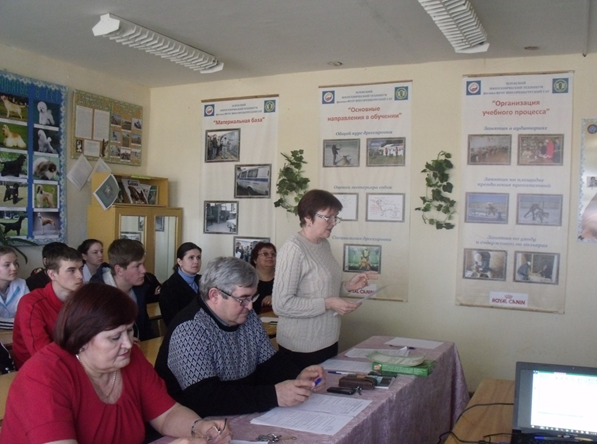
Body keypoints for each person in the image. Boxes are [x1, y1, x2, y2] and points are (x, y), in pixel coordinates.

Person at [0, 282, 231, 444]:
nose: (128, 344)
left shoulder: (130, 359)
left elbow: (167, 414)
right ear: (81, 339)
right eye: (114, 337)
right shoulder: (43, 376)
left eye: (129, 331)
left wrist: (199, 427)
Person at [154, 256, 325, 418]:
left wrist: (298, 376)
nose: (250, 306)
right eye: (243, 298)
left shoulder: (246, 317)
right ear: (214, 295)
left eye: (252, 297)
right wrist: (274, 395)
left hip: (238, 413)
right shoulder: (190, 328)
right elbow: (205, 398)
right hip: (196, 423)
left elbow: (269, 363)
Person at [273, 189, 377, 370]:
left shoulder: (323, 244)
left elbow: (321, 288)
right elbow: (281, 304)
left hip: (328, 340)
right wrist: (328, 303)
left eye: (335, 217)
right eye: (328, 217)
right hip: (301, 347)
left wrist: (348, 286)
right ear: (308, 217)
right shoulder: (293, 250)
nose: (333, 223)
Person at [12, 245, 83, 369]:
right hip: (36, 369)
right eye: (71, 270)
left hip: (74, 363)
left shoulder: (83, 299)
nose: (80, 276)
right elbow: (41, 354)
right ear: (52, 274)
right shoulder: (31, 304)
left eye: (81, 269)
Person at [90, 238, 155, 341]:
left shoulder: (139, 289)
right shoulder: (96, 295)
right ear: (119, 270)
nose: (144, 270)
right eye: (137, 266)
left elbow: (145, 329)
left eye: (143, 264)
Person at [159, 242, 202, 327]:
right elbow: (171, 321)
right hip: (184, 331)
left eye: (198, 257)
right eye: (191, 258)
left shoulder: (204, 281)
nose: (196, 261)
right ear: (179, 261)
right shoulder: (169, 287)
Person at [0, 246, 29, 329]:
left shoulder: (21, 284)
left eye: (15, 263)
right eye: (7, 265)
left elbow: (29, 313)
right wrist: (20, 323)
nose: (14, 268)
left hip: (17, 333)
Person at [249, 241, 276, 313]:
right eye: (265, 254)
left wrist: (275, 299)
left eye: (273, 254)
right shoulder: (247, 279)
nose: (270, 256)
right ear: (255, 260)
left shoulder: (283, 278)